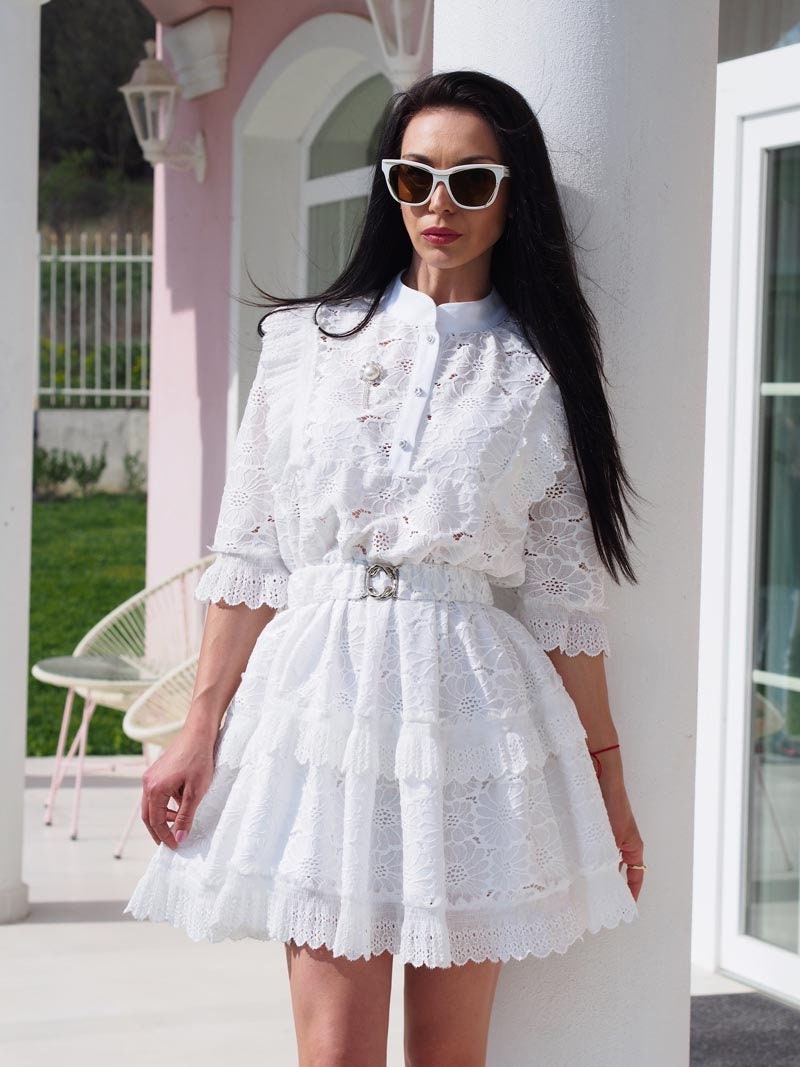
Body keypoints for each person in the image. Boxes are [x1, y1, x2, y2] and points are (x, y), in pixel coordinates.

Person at [124, 69, 647, 1066]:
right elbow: (251, 553)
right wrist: (198, 726)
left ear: (514, 196)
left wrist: (609, 784)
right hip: (321, 702)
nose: (438, 204)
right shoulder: (302, 345)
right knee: (333, 1054)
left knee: (448, 1058)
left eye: (469, 181)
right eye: (414, 178)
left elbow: (564, 601)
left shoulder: (540, 374)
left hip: (471, 714)